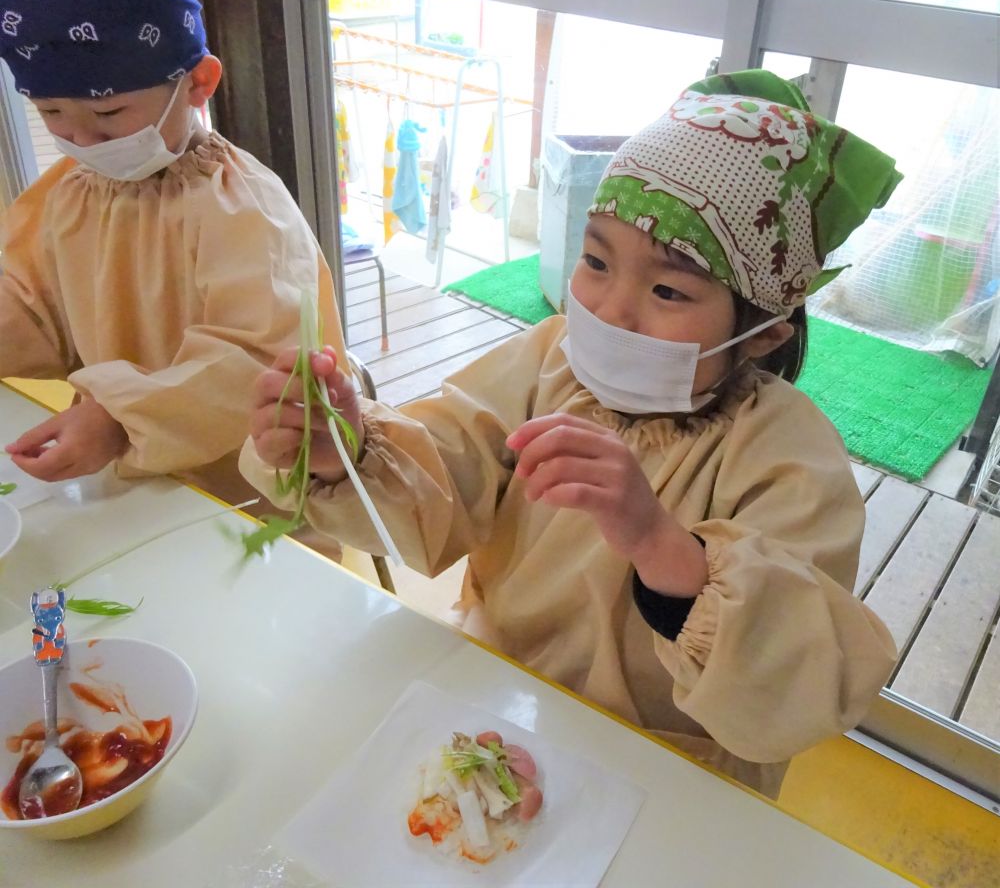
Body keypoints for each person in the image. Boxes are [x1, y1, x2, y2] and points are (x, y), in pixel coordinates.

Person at [240, 70, 900, 796]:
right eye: (596, 262)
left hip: (674, 771)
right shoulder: (546, 360)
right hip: (500, 709)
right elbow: (447, 467)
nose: (610, 311)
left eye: (668, 290)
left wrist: (659, 543)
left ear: (761, 335)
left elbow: (796, 675)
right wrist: (345, 454)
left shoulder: (788, 455)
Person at [0, 0, 347, 508]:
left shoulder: (241, 206)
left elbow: (258, 361)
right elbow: (32, 301)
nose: (81, 139)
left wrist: (123, 418)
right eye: (51, 112)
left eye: (108, 112)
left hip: (240, 490)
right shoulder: (75, 188)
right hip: (125, 473)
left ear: (198, 83)